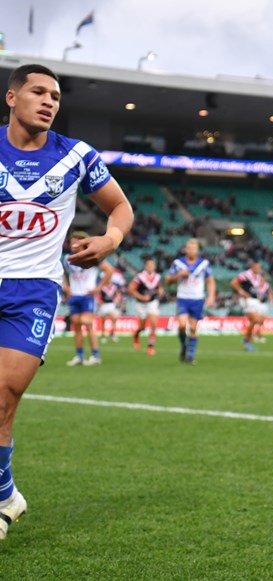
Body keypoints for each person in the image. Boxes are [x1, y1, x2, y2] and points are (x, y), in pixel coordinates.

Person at [0, 63, 133, 539]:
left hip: (34, 290)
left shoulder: (76, 156)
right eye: (38, 92)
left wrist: (111, 239)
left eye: (55, 95)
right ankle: (6, 495)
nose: (49, 101)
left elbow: (120, 205)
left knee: (2, 396)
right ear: (12, 98)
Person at [62, 232, 114, 366]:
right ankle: (79, 356)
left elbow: (109, 271)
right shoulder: (68, 258)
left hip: (87, 295)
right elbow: (61, 273)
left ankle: (95, 355)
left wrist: (98, 288)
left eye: (76, 242)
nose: (73, 245)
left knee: (87, 323)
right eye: (71, 242)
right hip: (74, 296)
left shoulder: (93, 256)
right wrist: (66, 286)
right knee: (76, 326)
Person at [165, 238, 216, 364]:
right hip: (183, 298)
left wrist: (211, 296)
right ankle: (183, 345)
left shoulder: (204, 264)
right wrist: (179, 275)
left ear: (197, 250)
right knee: (182, 325)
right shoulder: (178, 263)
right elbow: (167, 280)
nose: (192, 250)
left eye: (194, 248)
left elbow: (210, 281)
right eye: (189, 248)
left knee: (193, 328)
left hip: (197, 299)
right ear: (185, 249)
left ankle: (190, 355)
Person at [231, 261, 273, 351]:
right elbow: (233, 283)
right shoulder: (246, 275)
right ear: (253, 266)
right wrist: (241, 292)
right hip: (248, 300)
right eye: (257, 267)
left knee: (257, 320)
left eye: (260, 267)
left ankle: (247, 341)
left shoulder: (258, 277)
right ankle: (247, 341)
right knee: (255, 320)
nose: (259, 268)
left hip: (255, 301)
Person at [128, 258, 165, 355]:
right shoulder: (139, 277)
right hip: (140, 304)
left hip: (152, 303)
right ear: (145, 266)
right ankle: (136, 336)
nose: (151, 267)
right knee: (142, 327)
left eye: (152, 265)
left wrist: (160, 291)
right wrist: (141, 297)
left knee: (153, 324)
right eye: (149, 265)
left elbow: (159, 288)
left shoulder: (157, 277)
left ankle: (150, 346)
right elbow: (131, 289)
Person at [97, 276, 122, 343]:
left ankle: (112, 334)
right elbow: (98, 295)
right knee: (103, 321)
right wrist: (99, 302)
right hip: (103, 305)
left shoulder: (114, 287)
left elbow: (117, 295)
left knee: (114, 318)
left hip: (111, 305)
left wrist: (117, 300)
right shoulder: (102, 287)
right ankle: (103, 335)